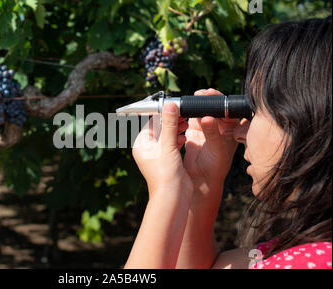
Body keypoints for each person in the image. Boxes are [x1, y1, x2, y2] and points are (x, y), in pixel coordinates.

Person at [124, 15, 332, 269]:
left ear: (306, 118)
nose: (239, 132)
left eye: (254, 110)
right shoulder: (310, 253)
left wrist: (167, 191)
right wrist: (202, 181)